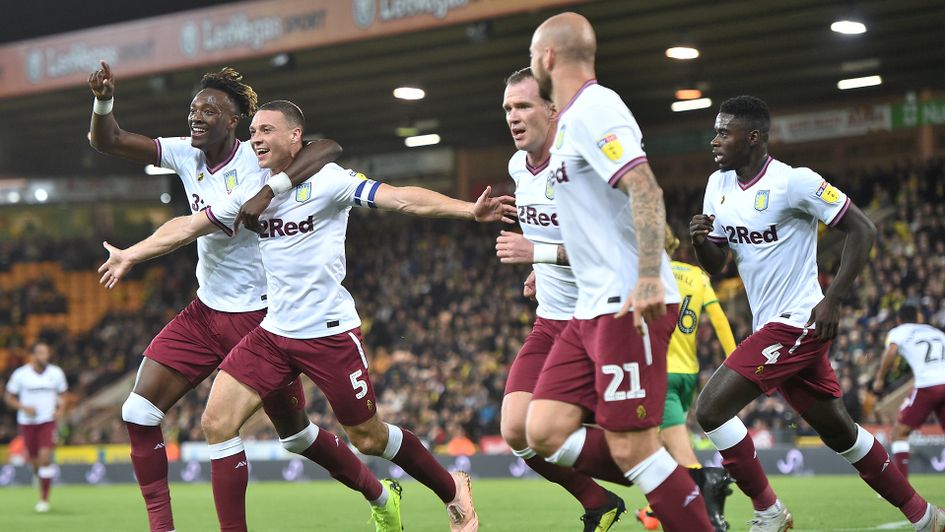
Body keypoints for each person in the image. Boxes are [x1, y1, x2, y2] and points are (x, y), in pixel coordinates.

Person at [99, 100, 517, 531]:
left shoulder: (329, 181)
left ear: (295, 136)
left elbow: (401, 200)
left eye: (266, 131)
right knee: (217, 422)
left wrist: (468, 209)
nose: (256, 139)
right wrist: (133, 254)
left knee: (368, 437)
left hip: (328, 332)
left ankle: (452, 488)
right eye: (255, 131)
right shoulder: (248, 191)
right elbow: (187, 226)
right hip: (273, 332)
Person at [88, 61, 348, 532]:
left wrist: (273, 190)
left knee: (296, 436)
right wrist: (104, 101)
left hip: (262, 319)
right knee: (137, 411)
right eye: (193, 108)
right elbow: (109, 140)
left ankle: (376, 492)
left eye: (210, 110)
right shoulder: (184, 153)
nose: (197, 116)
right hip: (206, 312)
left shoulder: (257, 156)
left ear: (234, 123)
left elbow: (328, 148)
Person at [691, 95, 944, 532]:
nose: (714, 140)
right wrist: (700, 243)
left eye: (723, 132)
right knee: (841, 433)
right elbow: (718, 266)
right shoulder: (719, 186)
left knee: (710, 409)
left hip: (799, 321)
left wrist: (834, 298)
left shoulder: (796, 182)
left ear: (752, 138)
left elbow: (862, 228)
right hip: (770, 324)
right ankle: (925, 517)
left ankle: (769, 510)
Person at [524, 12, 714, 531]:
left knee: (631, 448)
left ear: (548, 57)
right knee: (542, 430)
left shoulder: (596, 108)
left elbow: (646, 189)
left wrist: (649, 276)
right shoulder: (570, 122)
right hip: (591, 308)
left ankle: (688, 501)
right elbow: (593, 215)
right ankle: (679, 479)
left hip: (626, 304)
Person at [494, 67, 626, 532]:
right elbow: (556, 234)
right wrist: (539, 267)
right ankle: (598, 500)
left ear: (553, 110)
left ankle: (680, 478)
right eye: (508, 108)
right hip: (550, 322)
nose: (513, 115)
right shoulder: (517, 168)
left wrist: (539, 253)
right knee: (516, 431)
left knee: (603, 436)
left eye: (524, 105)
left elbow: (614, 249)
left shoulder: (580, 165)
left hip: (600, 322)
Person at [636, 227, 737, 531]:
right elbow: (719, 320)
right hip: (687, 376)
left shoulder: (646, 279)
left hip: (660, 374)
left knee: (679, 451)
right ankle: (656, 510)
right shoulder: (696, 275)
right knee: (659, 445)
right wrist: (734, 360)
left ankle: (709, 508)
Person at [873, 304, 945, 479]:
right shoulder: (935, 332)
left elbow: (891, 352)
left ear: (899, 319)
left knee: (899, 432)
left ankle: (901, 485)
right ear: (918, 317)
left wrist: (880, 379)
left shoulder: (899, 332)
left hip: (928, 385)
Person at [4, 341, 68, 513]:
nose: (43, 356)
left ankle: (44, 499)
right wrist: (23, 407)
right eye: (40, 353)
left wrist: (60, 410)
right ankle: (39, 475)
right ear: (31, 355)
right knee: (34, 462)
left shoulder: (56, 373)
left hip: (47, 421)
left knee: (45, 458)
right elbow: (8, 397)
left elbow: (62, 395)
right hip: (27, 422)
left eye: (46, 353)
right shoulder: (20, 374)